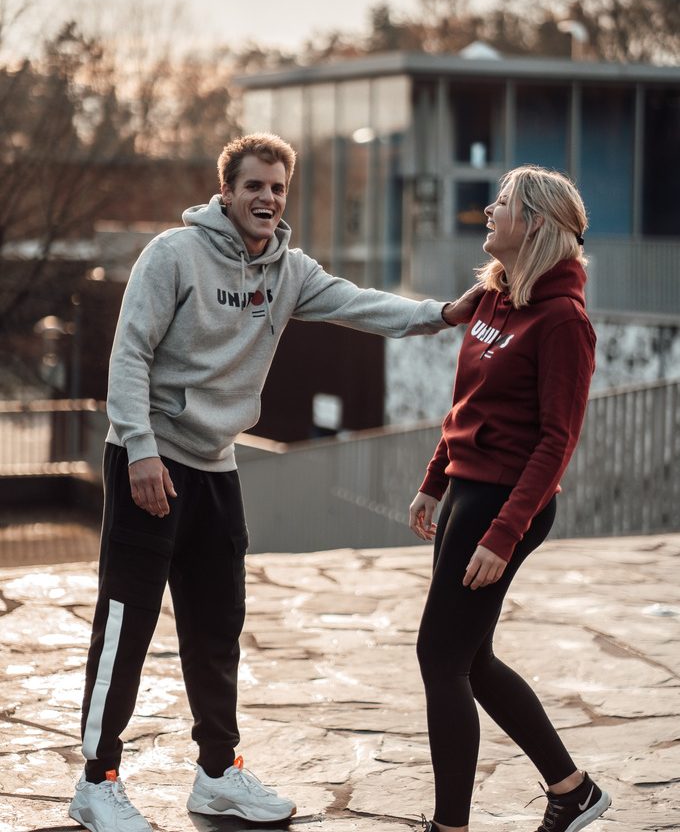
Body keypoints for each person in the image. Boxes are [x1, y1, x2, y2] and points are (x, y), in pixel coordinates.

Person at [68, 132, 482, 832]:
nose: (267, 198)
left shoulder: (289, 272)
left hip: (216, 468)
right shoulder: (173, 254)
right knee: (126, 624)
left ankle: (216, 775)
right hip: (151, 459)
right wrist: (139, 450)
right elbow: (129, 354)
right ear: (226, 192)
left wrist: (441, 315)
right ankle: (96, 781)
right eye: (254, 186)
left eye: (278, 188)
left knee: (217, 628)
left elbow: (360, 304)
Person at [409, 166, 612, 832]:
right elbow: (467, 404)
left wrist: (503, 533)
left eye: (503, 202)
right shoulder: (492, 298)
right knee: (469, 658)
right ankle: (572, 790)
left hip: (506, 503)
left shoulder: (563, 321)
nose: (490, 210)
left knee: (441, 657)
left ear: (536, 225)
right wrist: (435, 479)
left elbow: (557, 441)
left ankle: (451, 826)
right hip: (468, 491)